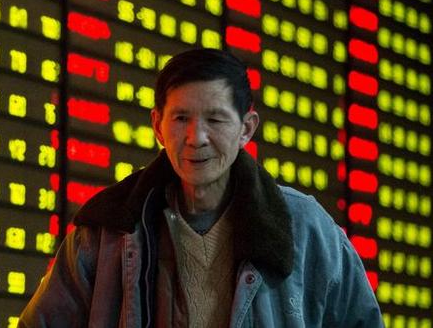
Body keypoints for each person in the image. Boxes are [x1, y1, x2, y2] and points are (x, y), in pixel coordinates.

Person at [19, 48, 382, 327]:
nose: (197, 138)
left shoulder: (304, 228)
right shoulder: (107, 231)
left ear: (246, 128)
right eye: (181, 119)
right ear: (158, 126)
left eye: (215, 119)